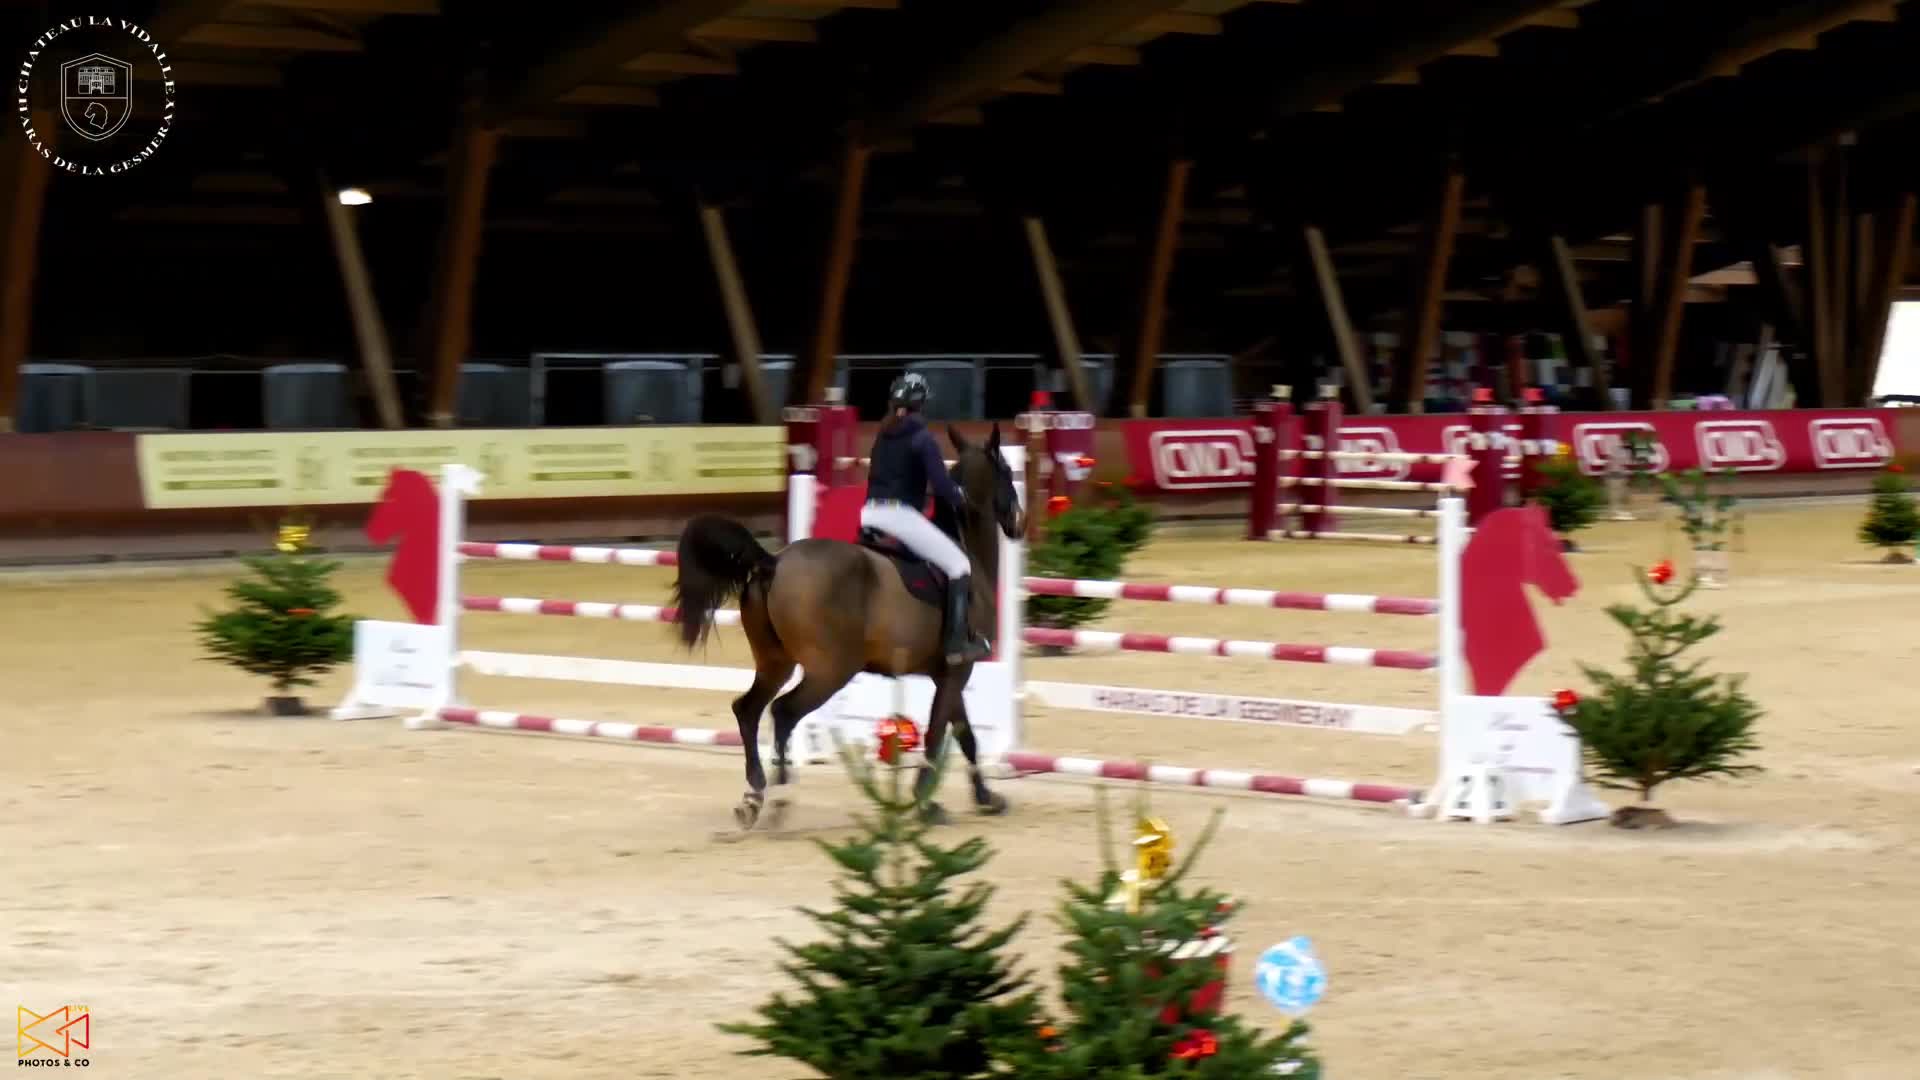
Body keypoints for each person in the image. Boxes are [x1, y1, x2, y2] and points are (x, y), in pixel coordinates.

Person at [860, 372, 992, 665]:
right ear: (921, 404)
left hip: (870, 513)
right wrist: (961, 498)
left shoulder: (882, 435)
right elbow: (942, 485)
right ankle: (956, 644)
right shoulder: (922, 438)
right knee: (959, 565)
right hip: (900, 517)